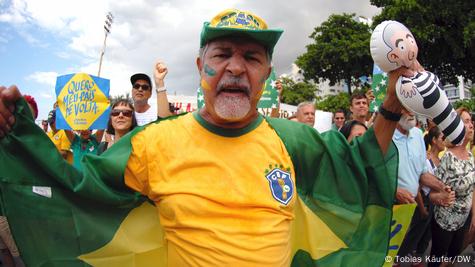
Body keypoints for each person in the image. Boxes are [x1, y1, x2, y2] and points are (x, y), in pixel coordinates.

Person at [0, 9, 420, 266]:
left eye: (252, 57)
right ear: (201, 65)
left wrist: (391, 103)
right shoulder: (154, 143)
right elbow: (75, 186)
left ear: (267, 75)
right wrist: (15, 132)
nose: (235, 67)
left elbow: (358, 164)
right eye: (222, 54)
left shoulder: (291, 139)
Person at [393, 111, 455, 266]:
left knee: (400, 252)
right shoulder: (385, 136)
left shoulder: (417, 134)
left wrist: (442, 187)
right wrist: (394, 190)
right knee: (388, 255)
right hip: (390, 208)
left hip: (412, 206)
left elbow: (422, 172)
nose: (411, 112)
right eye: (405, 108)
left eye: (412, 107)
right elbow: (373, 174)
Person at [429, 108, 475, 267]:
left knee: (453, 258)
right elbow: (432, 193)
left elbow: (472, 189)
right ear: (456, 126)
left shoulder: (470, 155)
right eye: (466, 121)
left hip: (462, 221)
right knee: (437, 261)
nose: (471, 125)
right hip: (444, 223)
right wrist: (439, 197)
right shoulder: (448, 157)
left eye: (471, 121)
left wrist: (474, 215)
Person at [132, 61, 173, 126]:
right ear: (132, 90)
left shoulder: (157, 112)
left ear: (150, 94)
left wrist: (159, 82)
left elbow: (166, 122)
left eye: (144, 87)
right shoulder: (123, 112)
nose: (140, 89)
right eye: (136, 86)